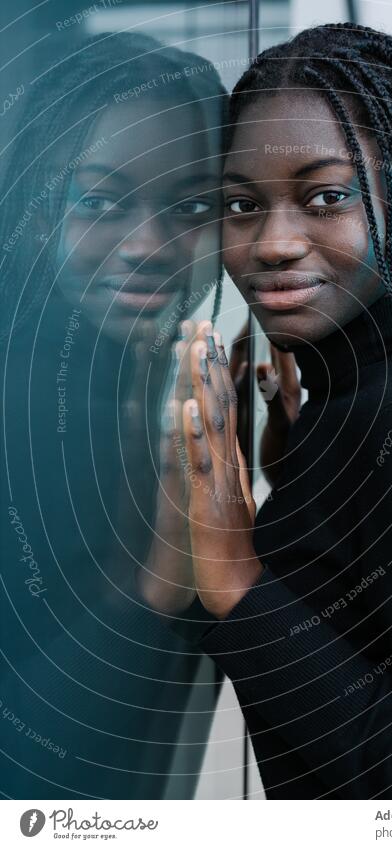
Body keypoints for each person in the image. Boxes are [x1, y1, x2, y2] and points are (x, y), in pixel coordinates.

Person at [179, 24, 392, 799]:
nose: (271, 242)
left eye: (326, 196)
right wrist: (298, 471)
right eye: (241, 203)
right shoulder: (360, 400)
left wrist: (237, 578)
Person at [1, 31, 225, 798]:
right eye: (100, 201)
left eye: (191, 204)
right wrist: (162, 572)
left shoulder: (133, 382)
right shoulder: (30, 412)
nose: (150, 245)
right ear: (36, 210)